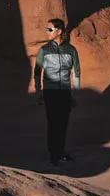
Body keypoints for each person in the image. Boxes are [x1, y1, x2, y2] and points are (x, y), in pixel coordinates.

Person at [34, 17, 80, 165]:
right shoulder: (44, 50)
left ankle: (60, 152)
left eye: (50, 29)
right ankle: (54, 154)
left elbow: (76, 72)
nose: (47, 32)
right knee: (53, 123)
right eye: (47, 29)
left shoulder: (71, 50)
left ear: (59, 31)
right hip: (50, 92)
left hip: (65, 93)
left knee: (63, 124)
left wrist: (76, 94)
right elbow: (37, 71)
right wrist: (38, 92)